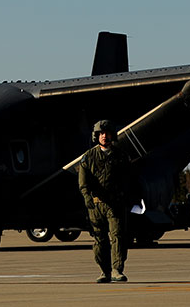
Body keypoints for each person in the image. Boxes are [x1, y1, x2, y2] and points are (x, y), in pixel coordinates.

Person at [78, 120, 130, 283]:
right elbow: (83, 182)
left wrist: (126, 197)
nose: (104, 136)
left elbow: (129, 178)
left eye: (107, 133)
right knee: (99, 240)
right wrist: (87, 198)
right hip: (96, 205)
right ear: (96, 136)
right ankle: (104, 271)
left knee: (117, 236)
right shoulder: (88, 157)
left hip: (115, 204)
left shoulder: (121, 156)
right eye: (101, 133)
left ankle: (116, 269)